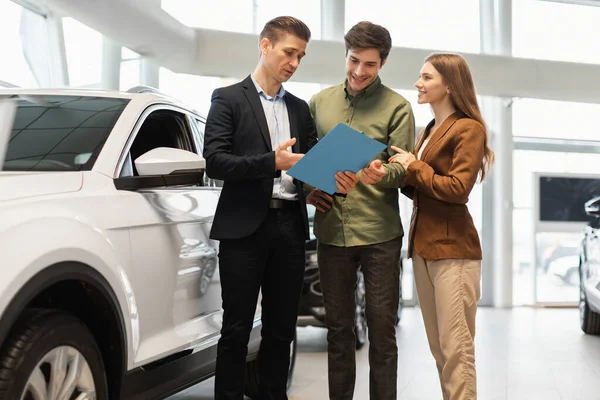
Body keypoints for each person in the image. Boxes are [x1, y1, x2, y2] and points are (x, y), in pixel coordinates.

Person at [202, 16, 335, 400]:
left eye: (301, 56)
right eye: (288, 52)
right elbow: (215, 160)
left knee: (281, 330)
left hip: (290, 227)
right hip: (244, 229)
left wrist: (321, 185)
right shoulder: (228, 98)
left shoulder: (298, 108)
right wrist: (270, 162)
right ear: (265, 45)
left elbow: (306, 165)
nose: (294, 62)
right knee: (236, 329)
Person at [307, 21, 415, 400]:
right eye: (354, 60)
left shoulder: (398, 108)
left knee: (382, 332)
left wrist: (378, 172)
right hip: (331, 233)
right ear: (346, 54)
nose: (358, 72)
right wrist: (310, 189)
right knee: (338, 333)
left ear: (382, 63)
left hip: (380, 236)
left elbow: (403, 170)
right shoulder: (319, 103)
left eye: (369, 65)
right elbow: (307, 160)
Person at [386, 53, 495, 400]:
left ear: (449, 84)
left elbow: (457, 189)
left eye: (426, 77)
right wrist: (395, 172)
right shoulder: (427, 131)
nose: (418, 83)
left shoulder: (468, 128)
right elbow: (421, 187)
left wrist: (414, 165)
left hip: (454, 251)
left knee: (456, 349)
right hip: (423, 247)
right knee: (440, 349)